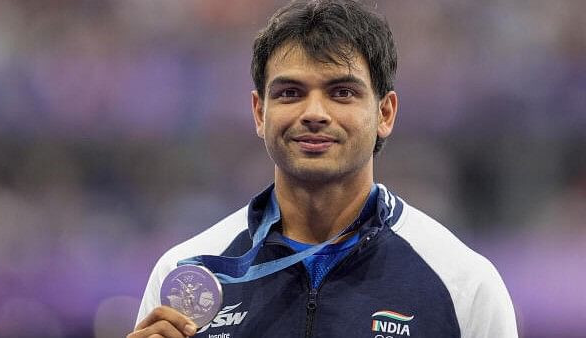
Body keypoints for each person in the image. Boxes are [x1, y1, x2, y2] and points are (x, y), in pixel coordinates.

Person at [129, 0, 518, 337]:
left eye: (342, 92)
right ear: (260, 112)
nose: (314, 113)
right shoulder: (184, 278)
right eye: (290, 93)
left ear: (385, 113)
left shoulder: (464, 285)